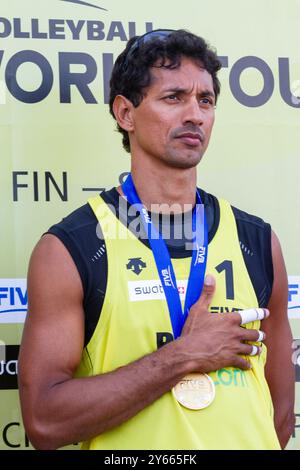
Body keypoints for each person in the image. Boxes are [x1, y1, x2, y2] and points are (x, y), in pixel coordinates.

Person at [18, 29, 295, 450]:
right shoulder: (69, 249)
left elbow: (278, 415)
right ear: (125, 113)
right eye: (174, 98)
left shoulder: (256, 240)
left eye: (205, 100)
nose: (195, 115)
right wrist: (184, 356)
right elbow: (44, 421)